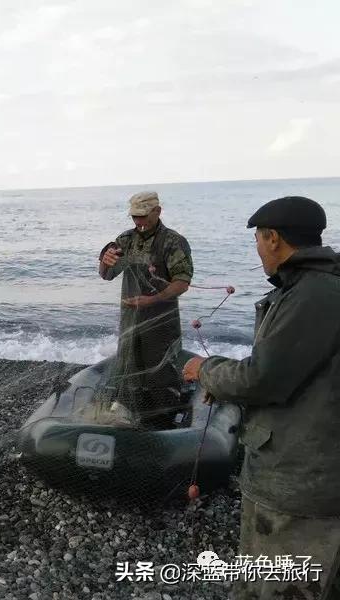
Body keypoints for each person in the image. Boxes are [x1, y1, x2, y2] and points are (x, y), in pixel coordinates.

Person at [182, 196, 340, 600]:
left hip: (300, 479)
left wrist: (207, 371)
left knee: (281, 585)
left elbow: (263, 378)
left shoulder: (313, 294)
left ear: (273, 239)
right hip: (307, 468)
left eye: (257, 239)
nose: (257, 249)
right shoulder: (314, 288)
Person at [98, 191, 193, 429]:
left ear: (157, 211)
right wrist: (104, 260)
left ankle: (164, 420)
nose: (138, 223)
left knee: (160, 370)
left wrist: (152, 300)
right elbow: (107, 275)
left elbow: (182, 283)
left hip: (161, 321)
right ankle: (129, 412)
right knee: (130, 364)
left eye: (142, 217)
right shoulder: (125, 240)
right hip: (130, 320)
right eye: (134, 218)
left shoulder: (173, 241)